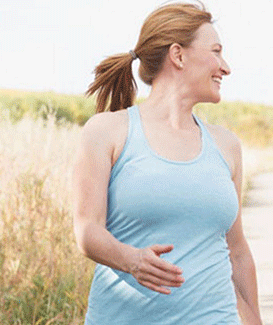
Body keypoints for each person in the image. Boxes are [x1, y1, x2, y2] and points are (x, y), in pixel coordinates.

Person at [72, 3, 262, 324]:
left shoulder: (227, 145)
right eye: (216, 51)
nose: (225, 67)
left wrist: (255, 320)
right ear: (178, 55)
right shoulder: (107, 132)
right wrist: (130, 260)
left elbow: (238, 250)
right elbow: (87, 229)